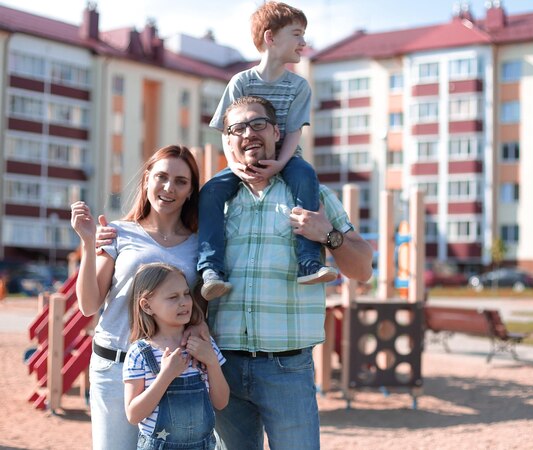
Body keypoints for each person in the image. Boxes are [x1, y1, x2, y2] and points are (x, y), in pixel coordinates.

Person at [206, 95, 373, 450]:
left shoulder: (312, 194)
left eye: (258, 124)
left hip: (288, 368)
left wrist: (328, 236)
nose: (248, 133)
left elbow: (363, 269)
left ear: (277, 132)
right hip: (223, 367)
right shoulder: (215, 202)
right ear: (228, 139)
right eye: (237, 128)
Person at [198, 1, 338, 302]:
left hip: (285, 157)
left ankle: (310, 262)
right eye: (297, 35)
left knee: (305, 175)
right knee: (210, 192)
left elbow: (293, 133)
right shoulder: (241, 81)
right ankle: (211, 269)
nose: (304, 42)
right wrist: (235, 165)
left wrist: (279, 164)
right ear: (270, 38)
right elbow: (227, 130)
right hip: (243, 161)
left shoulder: (299, 86)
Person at [71, 145, 205, 450]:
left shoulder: (199, 245)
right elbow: (89, 304)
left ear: (190, 191)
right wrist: (88, 242)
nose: (169, 187)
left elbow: (199, 309)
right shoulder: (117, 232)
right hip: (114, 368)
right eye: (161, 176)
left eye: (181, 181)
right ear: (147, 180)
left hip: (170, 371)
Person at [123, 262, 229, 450]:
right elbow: (133, 415)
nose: (184, 302)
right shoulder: (139, 353)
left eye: (186, 293)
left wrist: (212, 361)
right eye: (173, 297)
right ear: (147, 306)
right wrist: (166, 375)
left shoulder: (204, 343)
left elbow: (221, 402)